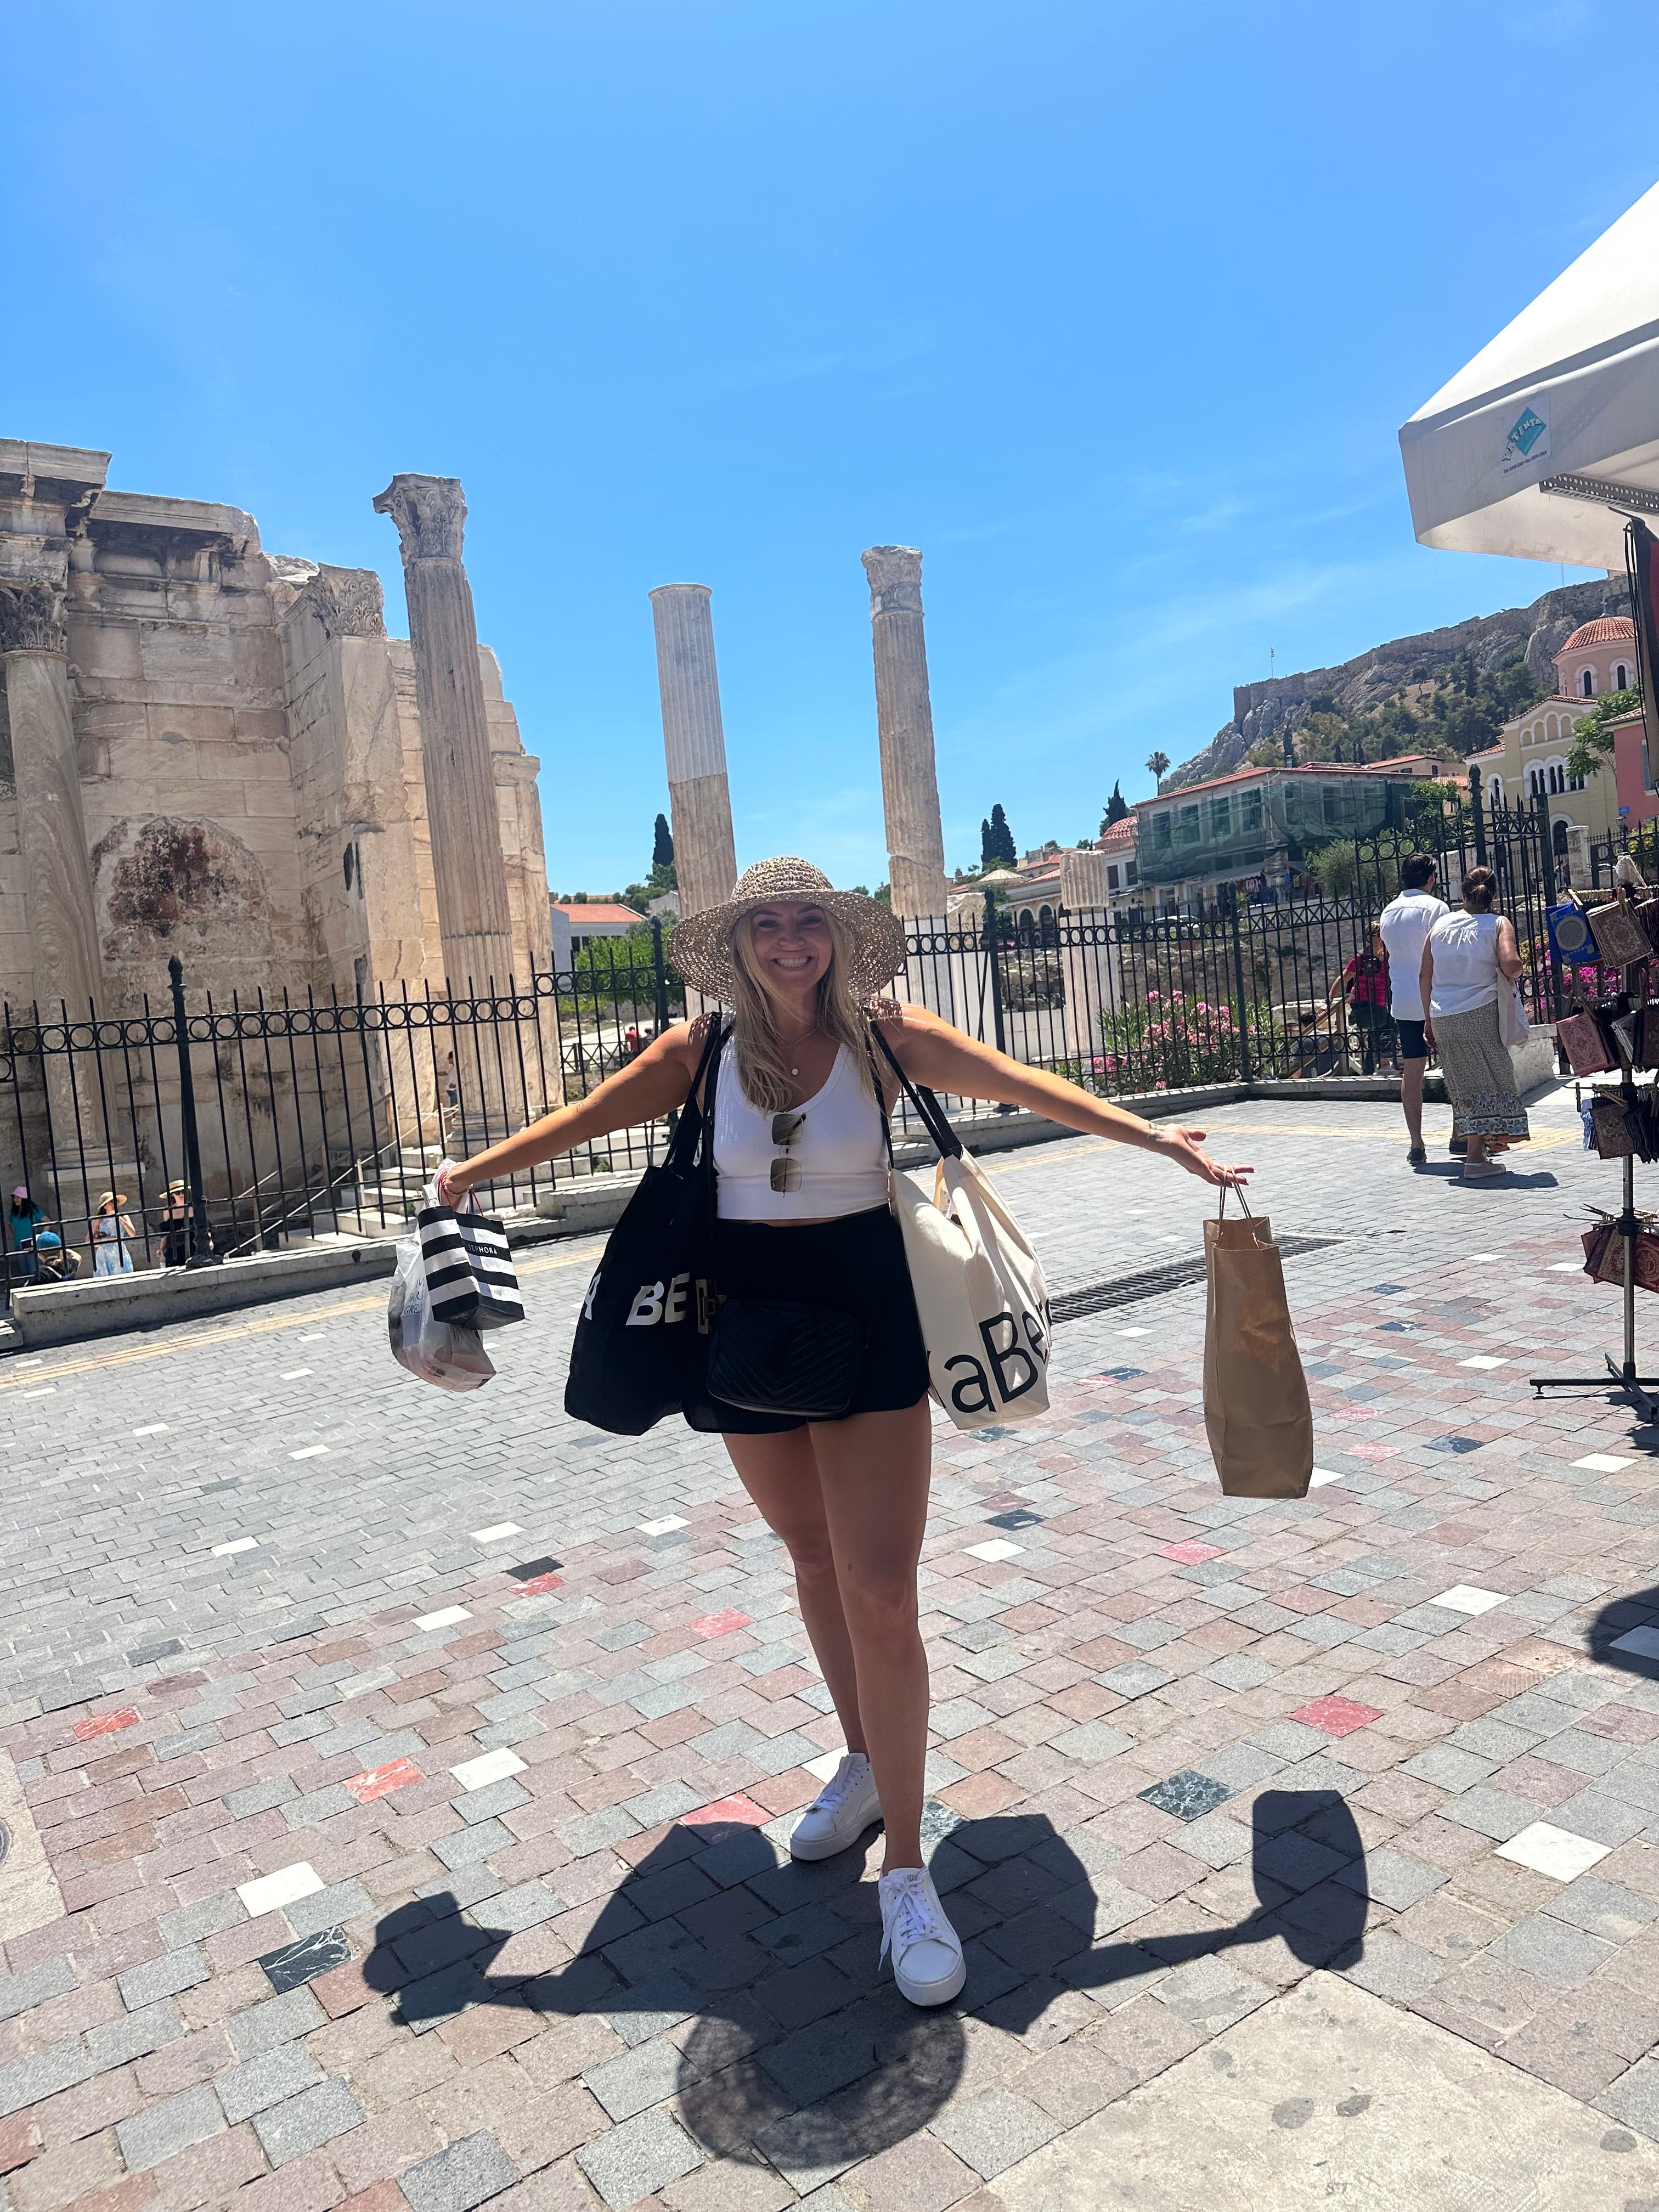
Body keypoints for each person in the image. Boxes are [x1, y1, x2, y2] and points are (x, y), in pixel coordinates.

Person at [437, 857, 1252, 2011]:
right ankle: (864, 1766)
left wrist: (1171, 1146)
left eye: (804, 924)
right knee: (812, 1558)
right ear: (736, 947)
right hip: (743, 1323)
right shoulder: (700, 1054)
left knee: (882, 1589)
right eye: (765, 927)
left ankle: (909, 1873)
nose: (786, 943)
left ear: (835, 939)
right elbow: (580, 1123)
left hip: (865, 1313)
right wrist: (471, 1172)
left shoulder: (883, 1038)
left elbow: (1030, 1085)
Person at [1420, 865, 1528, 1182]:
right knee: (1493, 1080)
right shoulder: (1498, 924)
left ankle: (1478, 1153)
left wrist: (1428, 1020)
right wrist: (1512, 971)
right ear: (1492, 895)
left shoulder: (1440, 926)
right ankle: (1475, 1160)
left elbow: (1424, 974)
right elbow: (1511, 964)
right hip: (1480, 1013)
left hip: (1443, 1016)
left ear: (1462, 894)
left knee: (1463, 1084)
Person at [1378, 854, 1450, 1164]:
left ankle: (1417, 1143)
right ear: (1431, 877)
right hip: (1437, 999)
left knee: (1412, 1070)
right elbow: (1444, 953)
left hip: (1404, 1001)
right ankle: (1461, 1135)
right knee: (1456, 1068)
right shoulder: (1436, 909)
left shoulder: (1388, 912)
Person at [1327, 928, 1393, 1076]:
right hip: (1364, 1001)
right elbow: (1343, 978)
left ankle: (1370, 1069)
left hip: (1383, 1001)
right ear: (1370, 938)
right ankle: (1383, 1065)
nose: (1382, 938)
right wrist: (1329, 999)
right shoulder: (1361, 958)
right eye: (1378, 935)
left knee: (1381, 1031)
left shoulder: (1389, 956)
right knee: (1382, 1030)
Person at [7, 1187, 48, 1285]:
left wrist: (42, 1236)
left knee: (34, 1269)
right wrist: (12, 1235)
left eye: (18, 1197)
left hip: (32, 1243)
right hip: (19, 1244)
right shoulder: (14, 1212)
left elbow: (47, 1221)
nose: (15, 1200)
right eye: (15, 1197)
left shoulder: (34, 1210)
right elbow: (8, 1224)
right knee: (24, 1270)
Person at [89, 1191, 138, 1275]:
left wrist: (121, 1220)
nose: (114, 1204)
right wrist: (105, 1239)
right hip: (104, 1253)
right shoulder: (98, 1220)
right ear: (105, 1206)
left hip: (119, 1251)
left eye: (116, 1201)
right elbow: (89, 1240)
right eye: (111, 1202)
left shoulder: (124, 1216)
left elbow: (132, 1234)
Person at [159, 1182, 190, 1268]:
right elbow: (165, 1230)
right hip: (174, 1247)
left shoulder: (192, 1207)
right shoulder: (168, 1210)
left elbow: (203, 1225)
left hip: (190, 1243)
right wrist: (161, 1248)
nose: (181, 1194)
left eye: (183, 1191)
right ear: (173, 1195)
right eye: (177, 1193)